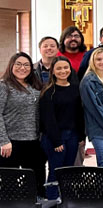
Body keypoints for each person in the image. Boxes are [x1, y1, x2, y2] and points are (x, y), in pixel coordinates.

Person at [0, 52, 46, 197]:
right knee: (10, 183)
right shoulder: (4, 86)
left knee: (36, 180)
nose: (22, 68)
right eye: (18, 64)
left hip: (34, 141)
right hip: (11, 143)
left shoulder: (35, 86)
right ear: (11, 66)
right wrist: (3, 141)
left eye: (26, 65)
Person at [39, 56, 85, 199]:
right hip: (54, 138)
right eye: (59, 68)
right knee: (56, 170)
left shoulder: (76, 89)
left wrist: (81, 137)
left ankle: (65, 199)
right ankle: (52, 199)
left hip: (72, 136)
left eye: (66, 68)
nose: (63, 71)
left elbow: (79, 115)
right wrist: (56, 141)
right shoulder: (48, 92)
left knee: (68, 170)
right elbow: (48, 120)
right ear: (52, 71)